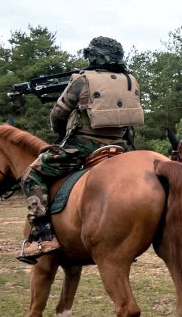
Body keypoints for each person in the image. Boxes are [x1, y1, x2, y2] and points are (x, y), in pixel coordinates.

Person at [19, 36, 143, 263]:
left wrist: (60, 134)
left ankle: (41, 236)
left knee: (31, 174)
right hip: (121, 149)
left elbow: (58, 114)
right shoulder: (131, 81)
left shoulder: (81, 80)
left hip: (84, 147)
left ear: (94, 56)